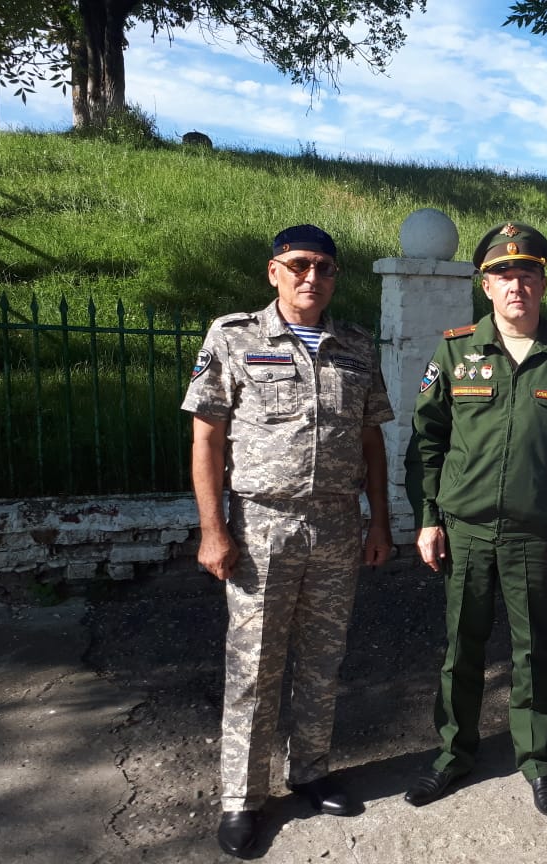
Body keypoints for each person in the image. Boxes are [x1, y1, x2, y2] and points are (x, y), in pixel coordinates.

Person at [182, 224, 395, 858]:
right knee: (254, 665)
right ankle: (242, 797)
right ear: (274, 271)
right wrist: (213, 528)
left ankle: (310, 771)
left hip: (336, 524)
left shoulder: (356, 346)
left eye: (324, 267)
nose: (312, 277)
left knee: (323, 658)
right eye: (299, 264)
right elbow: (207, 437)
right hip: (261, 524)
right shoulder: (235, 336)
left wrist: (379, 520)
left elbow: (371, 440)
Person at [403, 221, 547, 819]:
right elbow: (426, 442)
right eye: (503, 275)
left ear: (543, 282)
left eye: (527, 274)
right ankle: (453, 753)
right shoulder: (456, 352)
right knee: (461, 646)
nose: (516, 286)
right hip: (463, 531)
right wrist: (428, 518)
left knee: (533, 649)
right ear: (485, 285)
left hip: (532, 534)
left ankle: (537, 759)